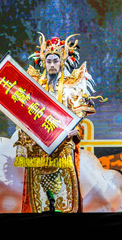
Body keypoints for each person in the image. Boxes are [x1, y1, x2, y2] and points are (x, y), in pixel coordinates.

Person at [14, 34, 101, 213]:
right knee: (38, 189)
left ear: (62, 62)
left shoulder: (70, 86)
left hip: (63, 144)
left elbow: (78, 112)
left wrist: (76, 129)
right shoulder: (35, 85)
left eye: (55, 61)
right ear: (43, 63)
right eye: (49, 61)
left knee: (64, 188)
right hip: (39, 144)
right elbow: (16, 99)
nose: (52, 65)